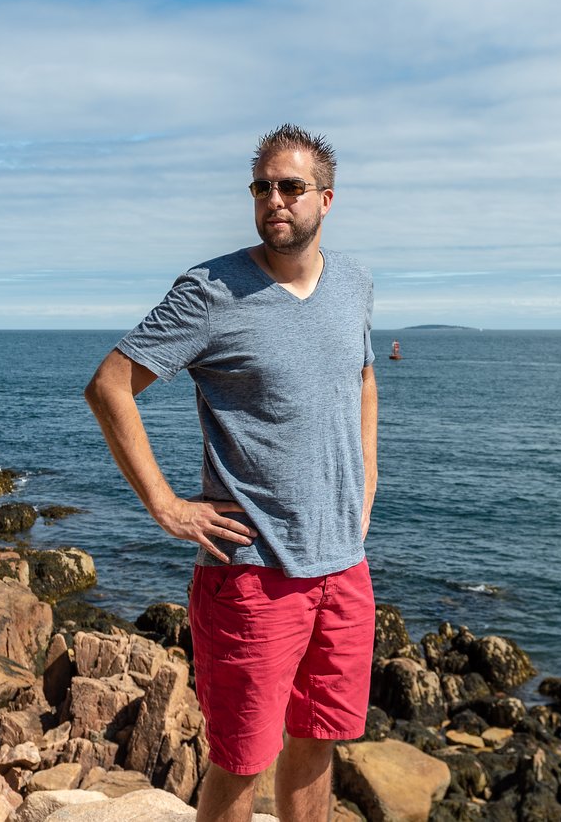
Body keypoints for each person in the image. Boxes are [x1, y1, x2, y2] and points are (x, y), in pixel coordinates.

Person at [84, 124, 377, 822]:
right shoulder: (210, 292)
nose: (274, 200)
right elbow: (110, 384)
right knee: (241, 759)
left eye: (291, 187)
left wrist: (367, 488)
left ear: (326, 200)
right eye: (262, 187)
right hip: (250, 573)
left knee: (317, 742)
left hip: (343, 567)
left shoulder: (355, 284)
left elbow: (363, 378)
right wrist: (166, 505)